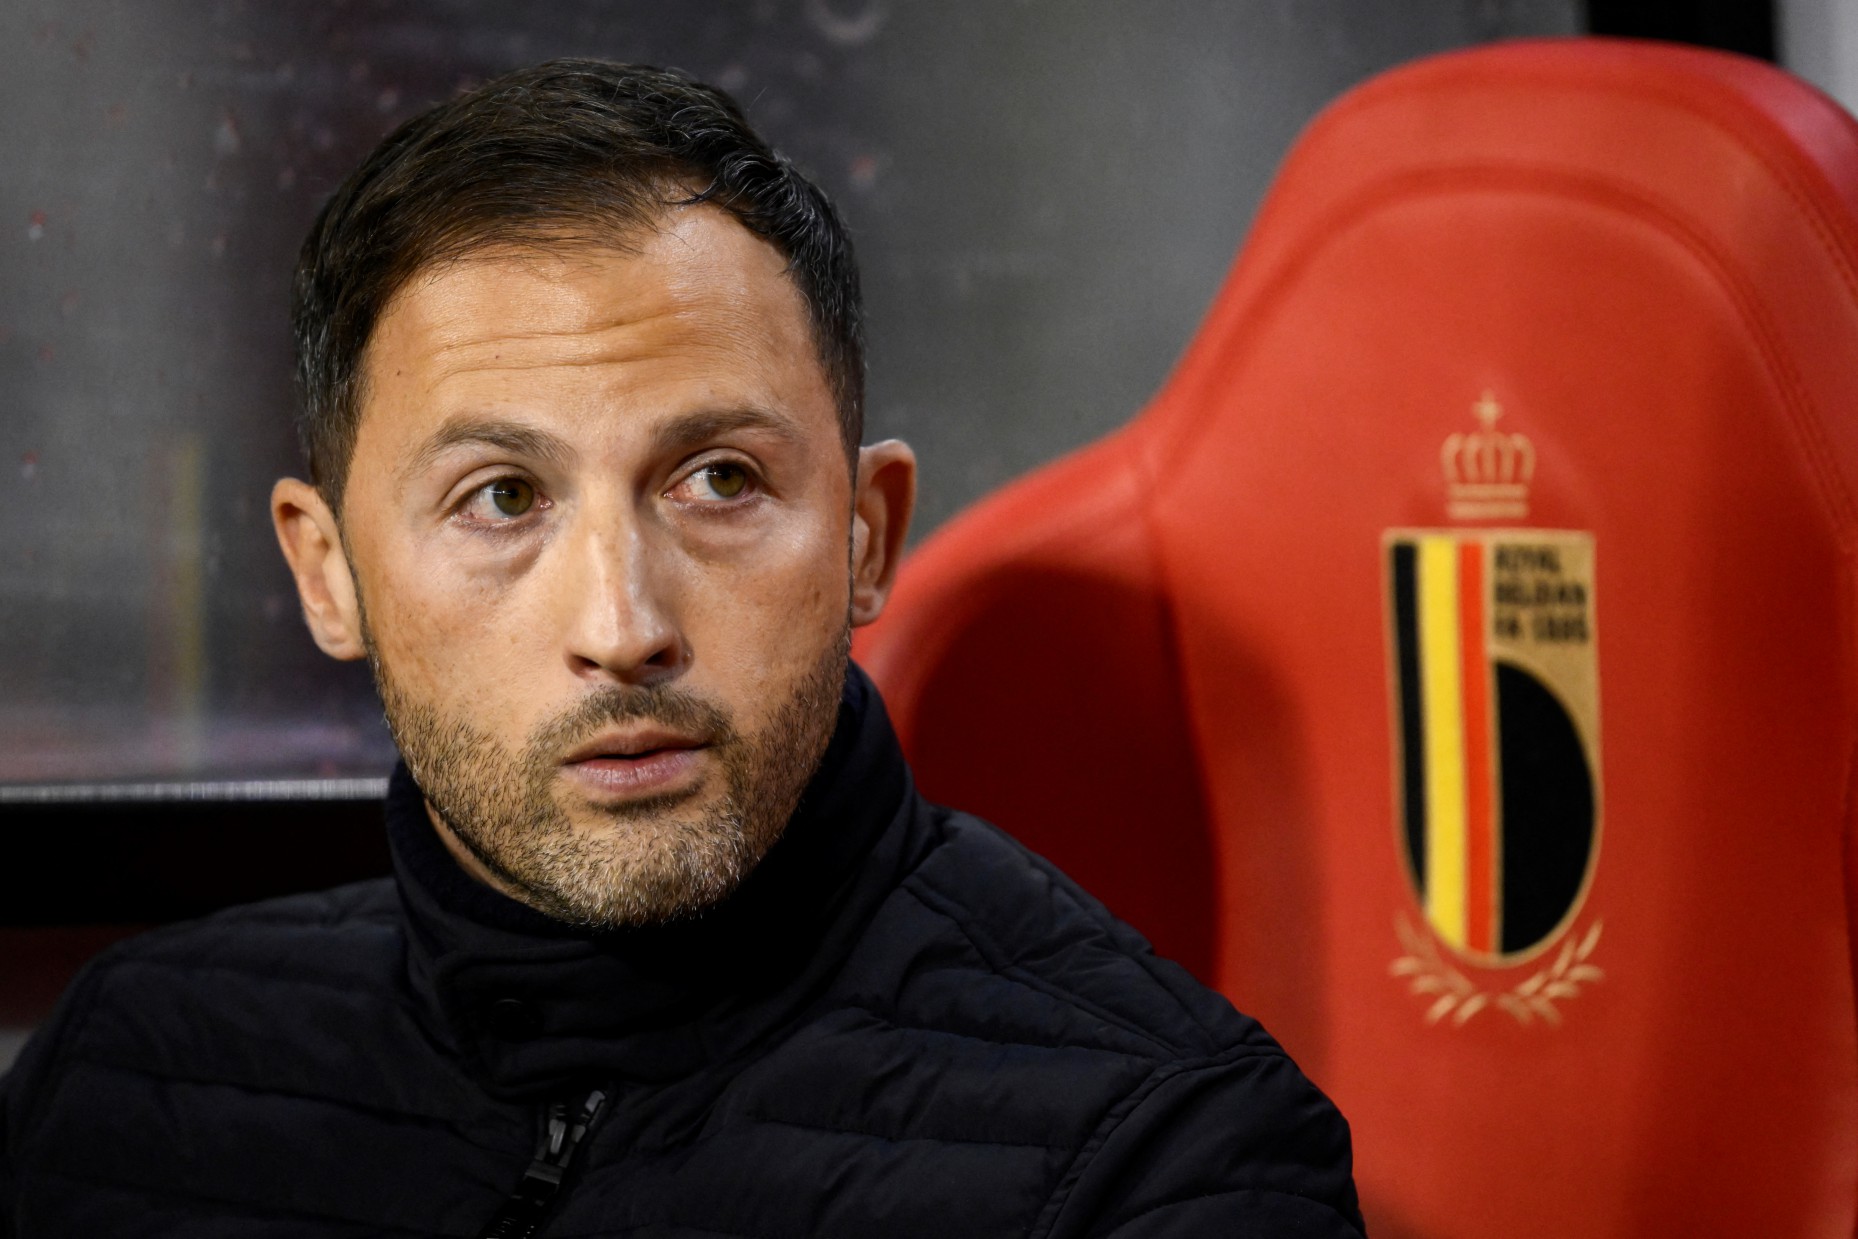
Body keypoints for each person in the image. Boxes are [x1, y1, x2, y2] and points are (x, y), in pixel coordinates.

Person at [0, 60, 1364, 1237]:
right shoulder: (127, 1073)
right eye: (502, 500)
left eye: (716, 481)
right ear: (327, 572)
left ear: (866, 536)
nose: (622, 628)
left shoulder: (1162, 1162)